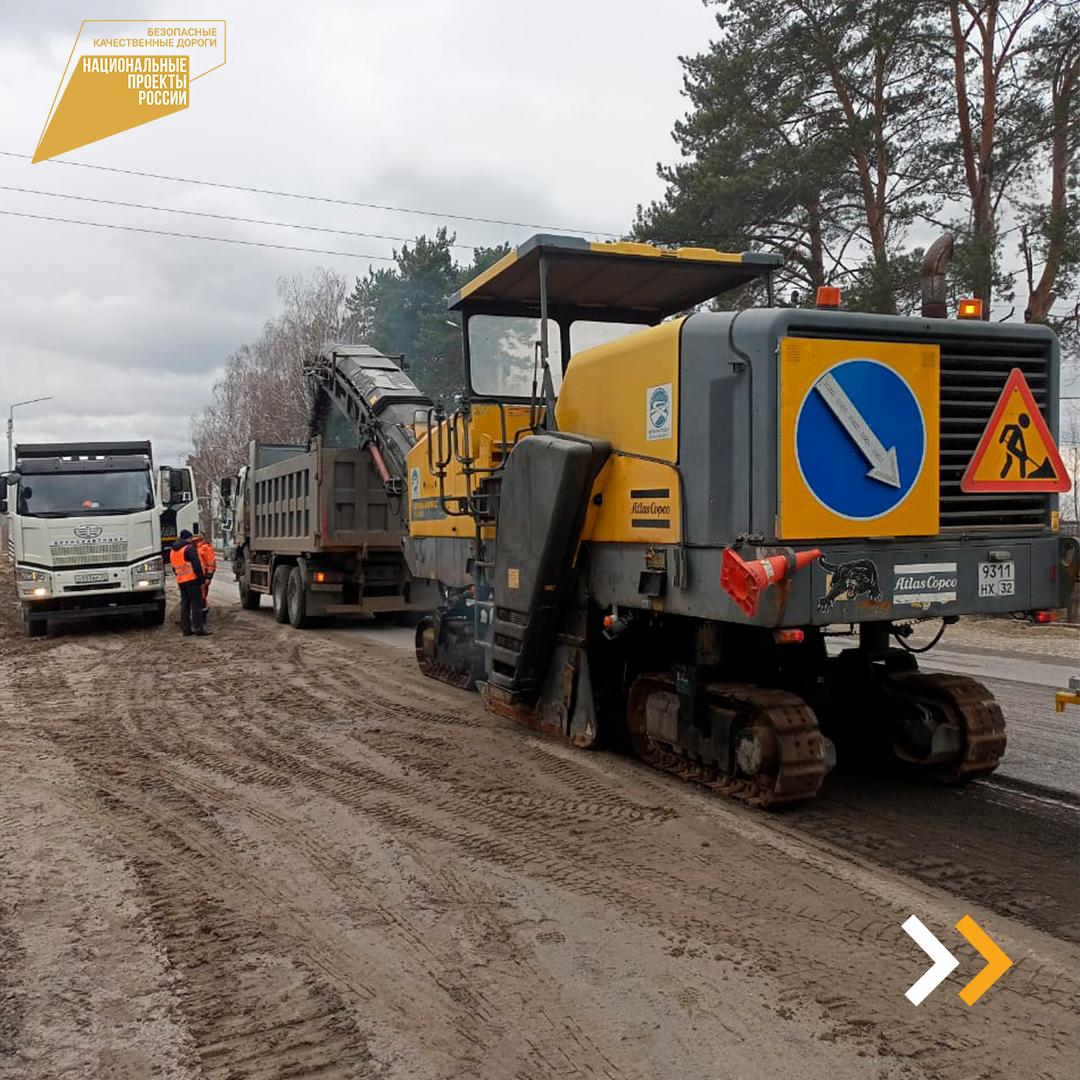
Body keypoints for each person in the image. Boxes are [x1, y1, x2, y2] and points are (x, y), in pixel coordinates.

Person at [169, 529, 211, 637]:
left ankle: (186, 629)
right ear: (189, 538)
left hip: (181, 581)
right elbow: (197, 565)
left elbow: (174, 568)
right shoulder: (189, 549)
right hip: (192, 580)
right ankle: (198, 629)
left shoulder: (173, 551)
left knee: (185, 604)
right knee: (196, 605)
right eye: (191, 538)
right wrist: (202, 580)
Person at [193, 529, 217, 615]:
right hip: (197, 575)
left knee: (202, 595)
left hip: (203, 575)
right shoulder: (194, 548)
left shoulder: (205, 548)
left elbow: (211, 564)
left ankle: (202, 613)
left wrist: (208, 577)